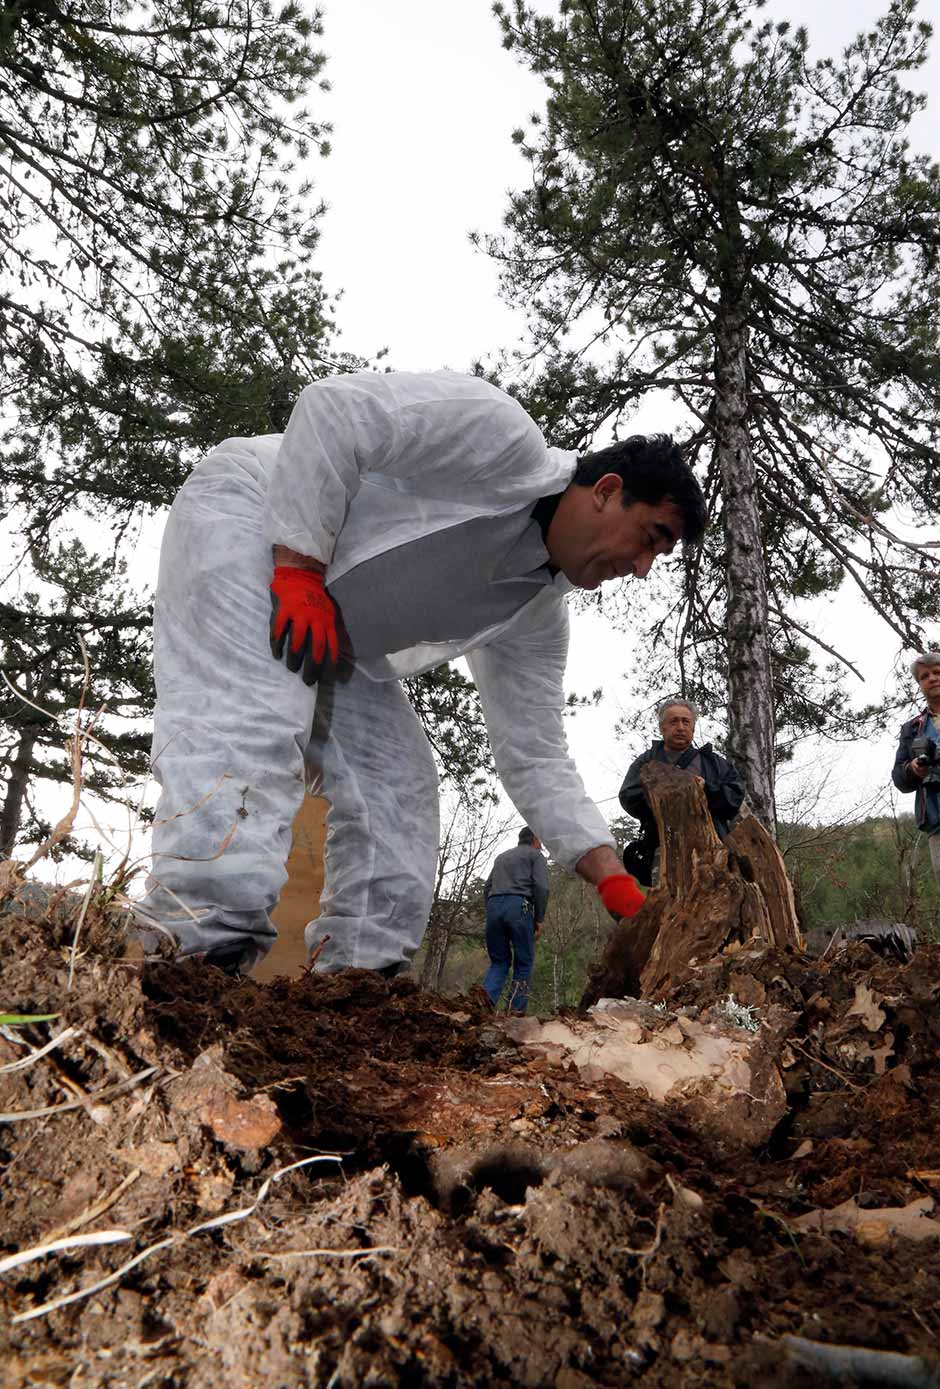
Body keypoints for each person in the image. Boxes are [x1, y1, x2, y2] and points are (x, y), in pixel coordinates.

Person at [135, 369, 706, 975]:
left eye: (657, 557)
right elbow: (335, 412)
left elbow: (534, 755)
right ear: (606, 490)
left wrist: (611, 876)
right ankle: (192, 959)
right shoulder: (500, 436)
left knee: (397, 787)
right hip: (254, 522)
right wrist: (299, 565)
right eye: (650, 537)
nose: (643, 567)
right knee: (252, 722)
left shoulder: (537, 616)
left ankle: (356, 983)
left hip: (332, 627)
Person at [619, 699, 744, 883]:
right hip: (662, 850)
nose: (680, 727)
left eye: (686, 722)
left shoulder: (714, 763)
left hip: (713, 852)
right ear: (662, 728)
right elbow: (628, 796)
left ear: (693, 728)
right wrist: (663, 797)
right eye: (674, 721)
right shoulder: (646, 762)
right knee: (667, 906)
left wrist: (706, 790)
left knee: (715, 907)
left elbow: (733, 799)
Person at [482, 828, 549, 1014]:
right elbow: (541, 887)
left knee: (499, 962)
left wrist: (492, 910)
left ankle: (481, 1006)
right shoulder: (536, 856)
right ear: (535, 839)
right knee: (524, 963)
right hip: (519, 906)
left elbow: (487, 888)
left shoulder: (501, 857)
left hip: (494, 906)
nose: (541, 844)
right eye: (540, 840)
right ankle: (515, 1012)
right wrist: (539, 918)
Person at [892, 652, 940, 880]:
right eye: (924, 676)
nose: (932, 678)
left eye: (937, 672)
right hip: (937, 824)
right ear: (920, 684)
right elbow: (899, 778)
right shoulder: (912, 729)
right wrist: (913, 769)